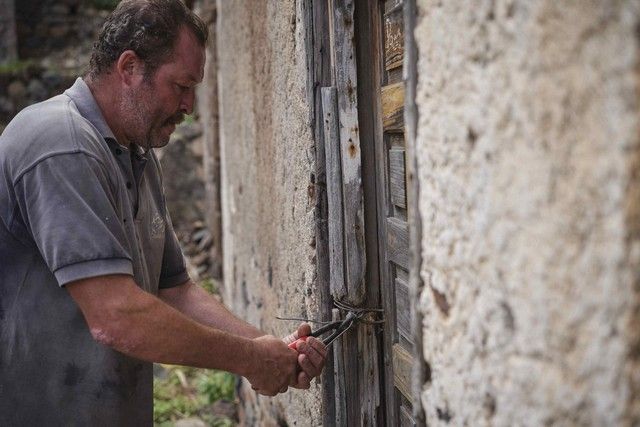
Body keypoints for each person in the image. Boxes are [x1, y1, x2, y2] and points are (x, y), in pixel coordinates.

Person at [0, 1, 327, 425]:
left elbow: (174, 290)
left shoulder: (135, 153)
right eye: (182, 85)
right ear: (130, 67)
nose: (190, 105)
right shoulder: (61, 143)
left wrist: (270, 349)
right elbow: (115, 316)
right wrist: (250, 358)